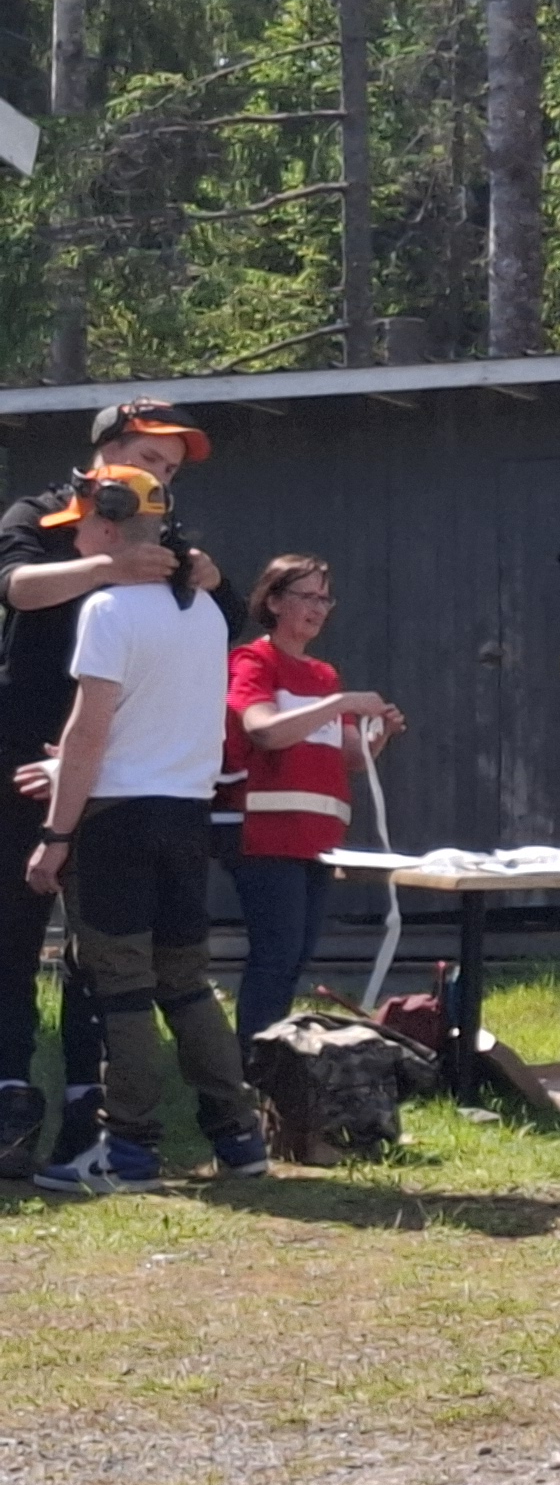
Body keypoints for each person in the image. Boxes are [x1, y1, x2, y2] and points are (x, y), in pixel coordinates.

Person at [20, 465, 258, 1190]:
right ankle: (240, 1137)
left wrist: (55, 836)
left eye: (84, 529)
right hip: (186, 815)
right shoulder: (208, 612)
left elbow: (91, 732)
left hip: (116, 823)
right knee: (187, 984)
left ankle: (128, 1153)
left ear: (112, 529)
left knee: (121, 990)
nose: (78, 544)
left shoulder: (109, 611)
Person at [226, 554, 405, 1040]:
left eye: (325, 598)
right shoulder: (253, 660)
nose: (319, 608)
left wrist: (378, 735)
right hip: (268, 834)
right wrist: (342, 704)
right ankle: (255, 1065)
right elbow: (262, 731)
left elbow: (349, 757)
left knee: (296, 955)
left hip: (320, 839)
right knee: (276, 954)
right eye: (307, 596)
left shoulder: (325, 675)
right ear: (275, 601)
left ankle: (275, 1060)